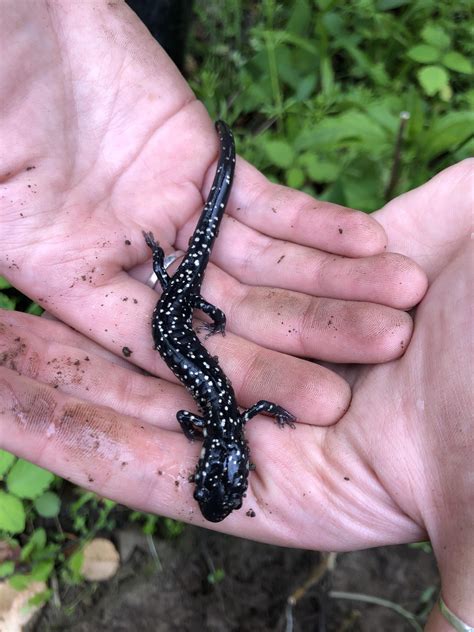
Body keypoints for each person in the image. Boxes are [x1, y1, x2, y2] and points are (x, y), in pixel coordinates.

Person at [0, 2, 471, 629]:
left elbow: (246, 412)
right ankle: (211, 187)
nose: (211, 480)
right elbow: (202, 414)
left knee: (194, 259)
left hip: (176, 320)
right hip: (177, 317)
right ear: (228, 460)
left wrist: (216, 333)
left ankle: (214, 186)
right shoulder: (212, 423)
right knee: (192, 262)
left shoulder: (232, 420)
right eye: (216, 481)